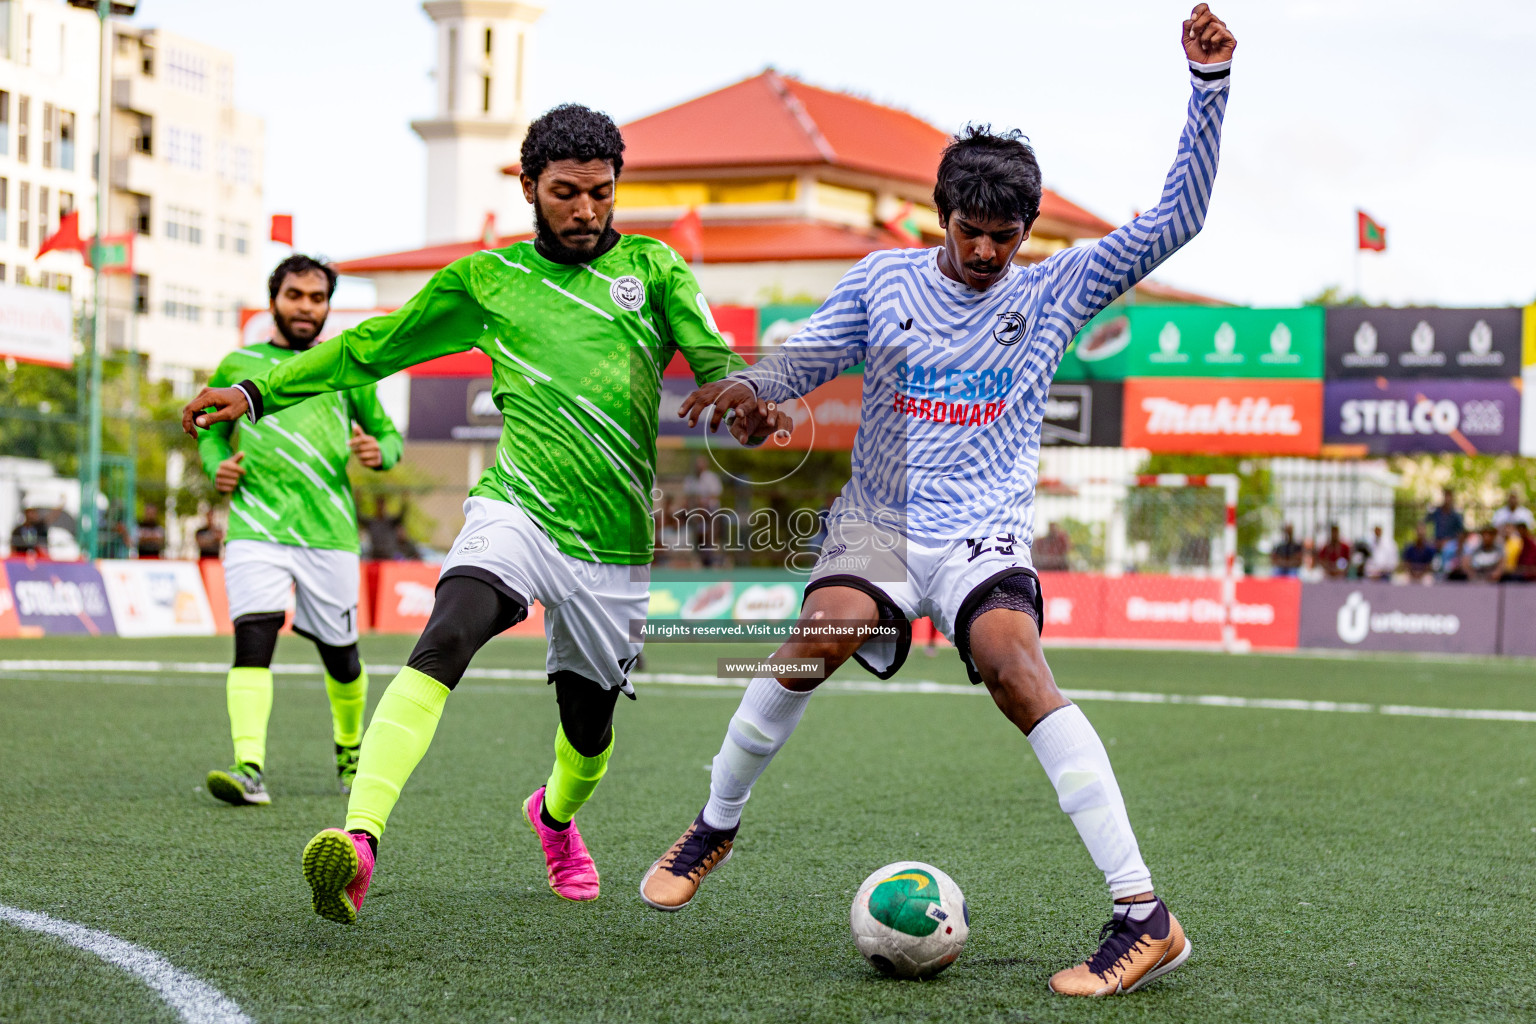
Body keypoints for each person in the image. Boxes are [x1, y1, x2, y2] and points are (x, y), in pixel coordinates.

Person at [640, 6, 1234, 999]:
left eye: (1007, 237)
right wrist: (752, 392)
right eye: (971, 233)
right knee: (817, 634)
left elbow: (1178, 218)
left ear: (1028, 232)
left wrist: (1208, 88)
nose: (988, 254)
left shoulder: (1054, 291)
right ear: (937, 217)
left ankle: (1144, 913)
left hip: (984, 531)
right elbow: (807, 357)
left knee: (1013, 665)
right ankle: (715, 822)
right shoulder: (884, 281)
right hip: (878, 522)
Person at [181, 104, 789, 924]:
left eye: (601, 194)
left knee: (588, 732)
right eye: (566, 193)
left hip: (612, 546)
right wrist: (255, 391)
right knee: (449, 629)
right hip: (517, 509)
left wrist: (742, 396)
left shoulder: (654, 268)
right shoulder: (487, 280)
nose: (585, 211)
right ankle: (360, 843)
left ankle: (556, 817)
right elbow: (373, 344)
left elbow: (710, 353)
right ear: (529, 187)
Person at [194, 254, 403, 809]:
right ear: (274, 300)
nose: (305, 307)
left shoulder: (342, 365)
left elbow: (388, 434)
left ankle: (350, 750)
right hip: (256, 526)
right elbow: (208, 431)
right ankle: (249, 767)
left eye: (316, 298)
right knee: (253, 641)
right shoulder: (238, 364)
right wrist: (216, 462)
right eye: (295, 296)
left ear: (328, 305)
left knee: (342, 657)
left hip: (328, 532)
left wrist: (381, 451)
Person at [361, 496, 406, 561]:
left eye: (382, 505)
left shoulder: (390, 522)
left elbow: (401, 517)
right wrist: (358, 501)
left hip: (389, 556)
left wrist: (404, 502)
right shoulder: (372, 522)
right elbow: (360, 518)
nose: (380, 508)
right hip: (375, 556)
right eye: (378, 505)